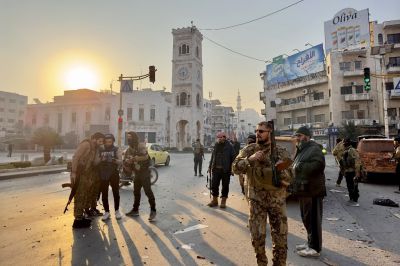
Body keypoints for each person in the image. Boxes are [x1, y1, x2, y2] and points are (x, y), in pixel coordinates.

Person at [232, 121, 292, 266]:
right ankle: (261, 263)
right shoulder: (249, 150)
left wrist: (273, 166)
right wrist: (249, 160)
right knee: (257, 237)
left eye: (261, 131)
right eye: (257, 130)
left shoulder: (280, 152)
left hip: (276, 201)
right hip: (256, 201)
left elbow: (290, 177)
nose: (258, 133)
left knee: (280, 239)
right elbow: (235, 168)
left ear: (270, 133)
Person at [292, 126, 326, 257]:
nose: (298, 138)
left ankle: (315, 248)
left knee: (313, 220)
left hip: (313, 191)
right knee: (306, 219)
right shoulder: (303, 149)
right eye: (297, 136)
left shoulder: (314, 149)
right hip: (304, 190)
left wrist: (299, 166)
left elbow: (318, 165)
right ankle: (310, 243)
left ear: (307, 136)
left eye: (300, 136)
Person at [70, 132, 105, 228]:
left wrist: (101, 159)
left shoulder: (94, 148)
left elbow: (93, 163)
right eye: (100, 141)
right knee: (79, 196)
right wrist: (73, 172)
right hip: (78, 174)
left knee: (84, 195)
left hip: (85, 175)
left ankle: (80, 217)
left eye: (102, 141)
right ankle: (78, 220)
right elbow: (75, 157)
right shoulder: (86, 144)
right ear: (94, 139)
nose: (101, 143)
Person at [125, 131, 157, 221]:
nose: (129, 139)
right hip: (137, 173)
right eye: (128, 137)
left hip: (145, 172)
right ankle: (135, 210)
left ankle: (153, 210)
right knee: (136, 192)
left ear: (134, 137)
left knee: (148, 191)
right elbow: (126, 158)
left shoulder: (141, 145)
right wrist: (127, 161)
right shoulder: (129, 149)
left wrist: (134, 158)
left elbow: (145, 156)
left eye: (130, 137)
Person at [207, 132, 235, 208]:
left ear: (224, 137)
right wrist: (210, 167)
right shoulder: (216, 145)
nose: (219, 139)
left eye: (221, 137)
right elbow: (213, 157)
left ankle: (223, 201)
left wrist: (232, 169)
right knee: (214, 185)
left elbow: (233, 158)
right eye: (218, 138)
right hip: (216, 169)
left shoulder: (230, 146)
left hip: (226, 170)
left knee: (225, 186)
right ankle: (215, 200)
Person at [98, 134, 123, 221]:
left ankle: (117, 211)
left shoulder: (116, 149)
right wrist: (101, 159)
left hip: (113, 173)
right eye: (106, 141)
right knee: (104, 193)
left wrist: (113, 160)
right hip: (103, 174)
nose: (108, 143)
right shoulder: (100, 149)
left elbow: (121, 161)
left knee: (116, 192)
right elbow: (96, 161)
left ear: (113, 141)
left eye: (110, 141)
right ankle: (107, 212)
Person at [341, 138, 361, 205]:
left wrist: (357, 172)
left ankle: (354, 198)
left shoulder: (351, 150)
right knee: (349, 186)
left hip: (352, 171)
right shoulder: (346, 151)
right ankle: (351, 198)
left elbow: (357, 161)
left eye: (344, 144)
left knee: (353, 186)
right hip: (348, 171)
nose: (343, 145)